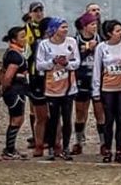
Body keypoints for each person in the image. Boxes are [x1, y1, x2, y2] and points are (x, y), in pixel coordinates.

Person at [35, 17, 81, 161]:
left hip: (68, 86)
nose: (66, 30)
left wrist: (66, 63)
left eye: (67, 27)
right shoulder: (44, 45)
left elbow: (77, 62)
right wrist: (52, 62)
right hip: (52, 87)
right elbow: (39, 65)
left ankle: (65, 147)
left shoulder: (71, 42)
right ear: (54, 29)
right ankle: (52, 147)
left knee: (67, 118)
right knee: (53, 118)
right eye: (62, 27)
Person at [92, 20, 121, 163]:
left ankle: (119, 151)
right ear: (109, 33)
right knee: (108, 120)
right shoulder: (101, 48)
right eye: (117, 31)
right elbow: (97, 69)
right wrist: (96, 90)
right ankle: (108, 150)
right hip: (107, 89)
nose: (120, 33)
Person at [72, 11, 105, 156]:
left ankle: (104, 143)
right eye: (92, 24)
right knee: (80, 113)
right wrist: (87, 51)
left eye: (95, 24)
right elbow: (73, 61)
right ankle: (78, 141)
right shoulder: (75, 41)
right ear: (84, 26)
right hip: (81, 80)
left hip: (97, 81)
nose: (95, 26)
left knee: (100, 113)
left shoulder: (101, 40)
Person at [0, 26, 30, 160]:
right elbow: (8, 75)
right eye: (22, 37)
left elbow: (2, 71)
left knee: (15, 118)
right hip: (15, 91)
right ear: (13, 40)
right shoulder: (15, 56)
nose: (25, 39)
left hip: (14, 90)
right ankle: (9, 149)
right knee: (17, 119)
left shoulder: (11, 53)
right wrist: (4, 88)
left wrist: (1, 88)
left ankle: (10, 148)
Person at [23, 1, 48, 156]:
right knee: (34, 104)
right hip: (33, 72)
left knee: (49, 104)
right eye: (36, 11)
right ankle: (36, 136)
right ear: (31, 13)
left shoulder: (47, 26)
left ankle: (47, 137)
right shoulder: (28, 29)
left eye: (40, 10)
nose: (39, 13)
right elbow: (25, 49)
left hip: (48, 72)